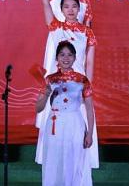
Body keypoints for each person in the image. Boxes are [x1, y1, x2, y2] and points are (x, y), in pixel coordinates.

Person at [31, 0, 98, 167]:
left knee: (80, 106)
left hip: (78, 62)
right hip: (58, 54)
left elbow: (89, 48)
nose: (70, 9)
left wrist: (89, 79)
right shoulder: (55, 16)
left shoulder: (85, 10)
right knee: (55, 100)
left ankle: (83, 149)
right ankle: (51, 153)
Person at [35, 41, 95, 186]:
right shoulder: (50, 79)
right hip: (54, 125)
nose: (66, 58)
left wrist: (89, 134)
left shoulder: (82, 80)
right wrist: (46, 93)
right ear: (57, 58)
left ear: (75, 58)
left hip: (74, 123)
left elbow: (89, 109)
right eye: (62, 55)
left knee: (74, 160)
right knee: (54, 160)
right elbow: (38, 108)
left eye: (69, 55)